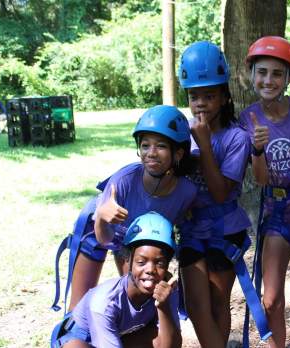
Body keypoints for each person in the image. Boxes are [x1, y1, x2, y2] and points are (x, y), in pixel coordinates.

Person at [66, 105, 198, 312]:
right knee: (78, 306)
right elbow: (106, 239)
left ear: (178, 153)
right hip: (101, 230)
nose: (151, 153)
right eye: (145, 146)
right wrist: (101, 216)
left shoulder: (187, 192)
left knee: (143, 300)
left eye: (161, 146)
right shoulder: (123, 181)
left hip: (137, 241)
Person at [238, 36, 290, 347]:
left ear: (289, 77)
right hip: (276, 206)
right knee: (270, 298)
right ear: (251, 75)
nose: (268, 80)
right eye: (262, 72)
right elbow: (260, 180)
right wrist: (258, 149)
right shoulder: (247, 118)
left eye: (277, 73)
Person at [176, 41, 259, 347]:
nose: (200, 104)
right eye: (194, 96)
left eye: (209, 96)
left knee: (217, 300)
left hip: (225, 230)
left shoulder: (236, 138)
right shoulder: (182, 132)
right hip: (191, 228)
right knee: (197, 306)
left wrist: (206, 147)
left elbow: (222, 193)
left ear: (224, 97)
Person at [54, 212, 182, 348]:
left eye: (160, 263)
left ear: (168, 264)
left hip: (118, 337)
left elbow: (172, 345)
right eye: (141, 262)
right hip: (80, 337)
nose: (150, 269)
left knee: (159, 336)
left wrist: (163, 307)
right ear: (128, 259)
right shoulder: (105, 302)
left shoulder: (166, 290)